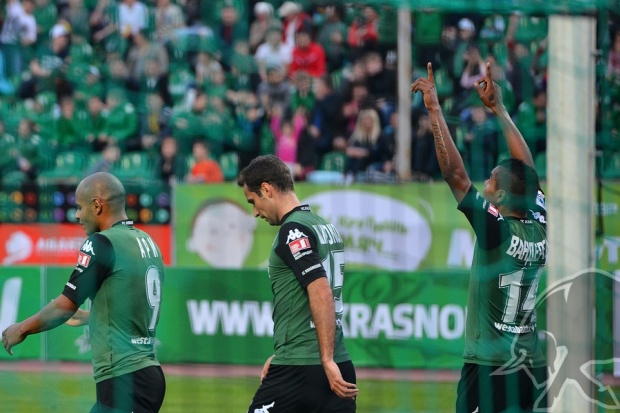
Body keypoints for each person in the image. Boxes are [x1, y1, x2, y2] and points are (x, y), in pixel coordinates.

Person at [411, 62, 548, 413]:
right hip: (531, 368)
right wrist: (499, 109)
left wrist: (434, 109)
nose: (484, 183)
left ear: (501, 196)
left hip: (490, 368)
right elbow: (527, 172)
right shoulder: (539, 222)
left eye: (490, 180)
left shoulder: (497, 231)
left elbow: (456, 176)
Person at [1, 172, 166, 412]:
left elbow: (64, 306)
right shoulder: (147, 242)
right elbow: (136, 305)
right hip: (146, 374)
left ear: (97, 205)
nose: (77, 215)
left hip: (124, 379)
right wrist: (92, 316)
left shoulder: (101, 243)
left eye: (79, 207)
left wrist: (21, 329)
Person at [237, 155, 359, 413]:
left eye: (253, 201)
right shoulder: (323, 226)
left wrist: (324, 359)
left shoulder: (293, 231)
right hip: (339, 364)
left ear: (267, 189)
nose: (255, 212)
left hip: (302, 369)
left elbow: (321, 291)